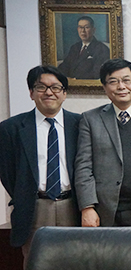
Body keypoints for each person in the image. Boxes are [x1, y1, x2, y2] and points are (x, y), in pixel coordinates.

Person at [0, 66, 82, 266]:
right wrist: (25, 195)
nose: (48, 92)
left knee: (76, 263)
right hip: (34, 208)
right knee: (37, 262)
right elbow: (7, 172)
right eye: (41, 87)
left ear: (64, 94)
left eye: (55, 87)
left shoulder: (80, 124)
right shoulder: (11, 128)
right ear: (31, 93)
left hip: (72, 206)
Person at [74, 59, 131, 227]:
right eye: (113, 81)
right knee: (107, 254)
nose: (121, 86)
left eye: (126, 80)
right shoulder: (90, 119)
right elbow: (83, 166)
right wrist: (87, 207)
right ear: (104, 87)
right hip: (105, 209)